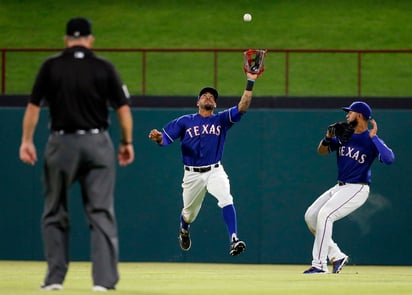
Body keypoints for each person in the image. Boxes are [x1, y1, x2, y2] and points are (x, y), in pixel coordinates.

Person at [19, 17, 134, 291]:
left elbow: (33, 107)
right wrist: (126, 142)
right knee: (101, 212)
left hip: (61, 144)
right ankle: (103, 283)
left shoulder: (51, 66)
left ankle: (54, 279)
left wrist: (26, 141)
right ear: (91, 40)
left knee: (54, 210)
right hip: (97, 143)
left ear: (66, 39)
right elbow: (123, 109)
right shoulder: (104, 67)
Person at [148, 71, 259, 256]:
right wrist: (158, 137)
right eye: (204, 95)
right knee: (188, 214)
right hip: (191, 174)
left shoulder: (221, 119)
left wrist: (251, 81)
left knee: (226, 198)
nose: (208, 97)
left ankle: (233, 239)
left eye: (212, 97)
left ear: (214, 104)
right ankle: (184, 229)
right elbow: (165, 139)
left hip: (215, 170)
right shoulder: (185, 121)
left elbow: (242, 106)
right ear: (198, 102)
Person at [303, 101, 395, 274]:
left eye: (350, 112)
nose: (347, 115)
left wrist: (374, 137)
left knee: (325, 214)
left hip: (357, 188)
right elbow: (322, 151)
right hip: (340, 187)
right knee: (311, 216)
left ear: (359, 115)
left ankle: (320, 265)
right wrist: (328, 138)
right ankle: (336, 255)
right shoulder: (345, 135)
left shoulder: (370, 139)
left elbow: (389, 159)